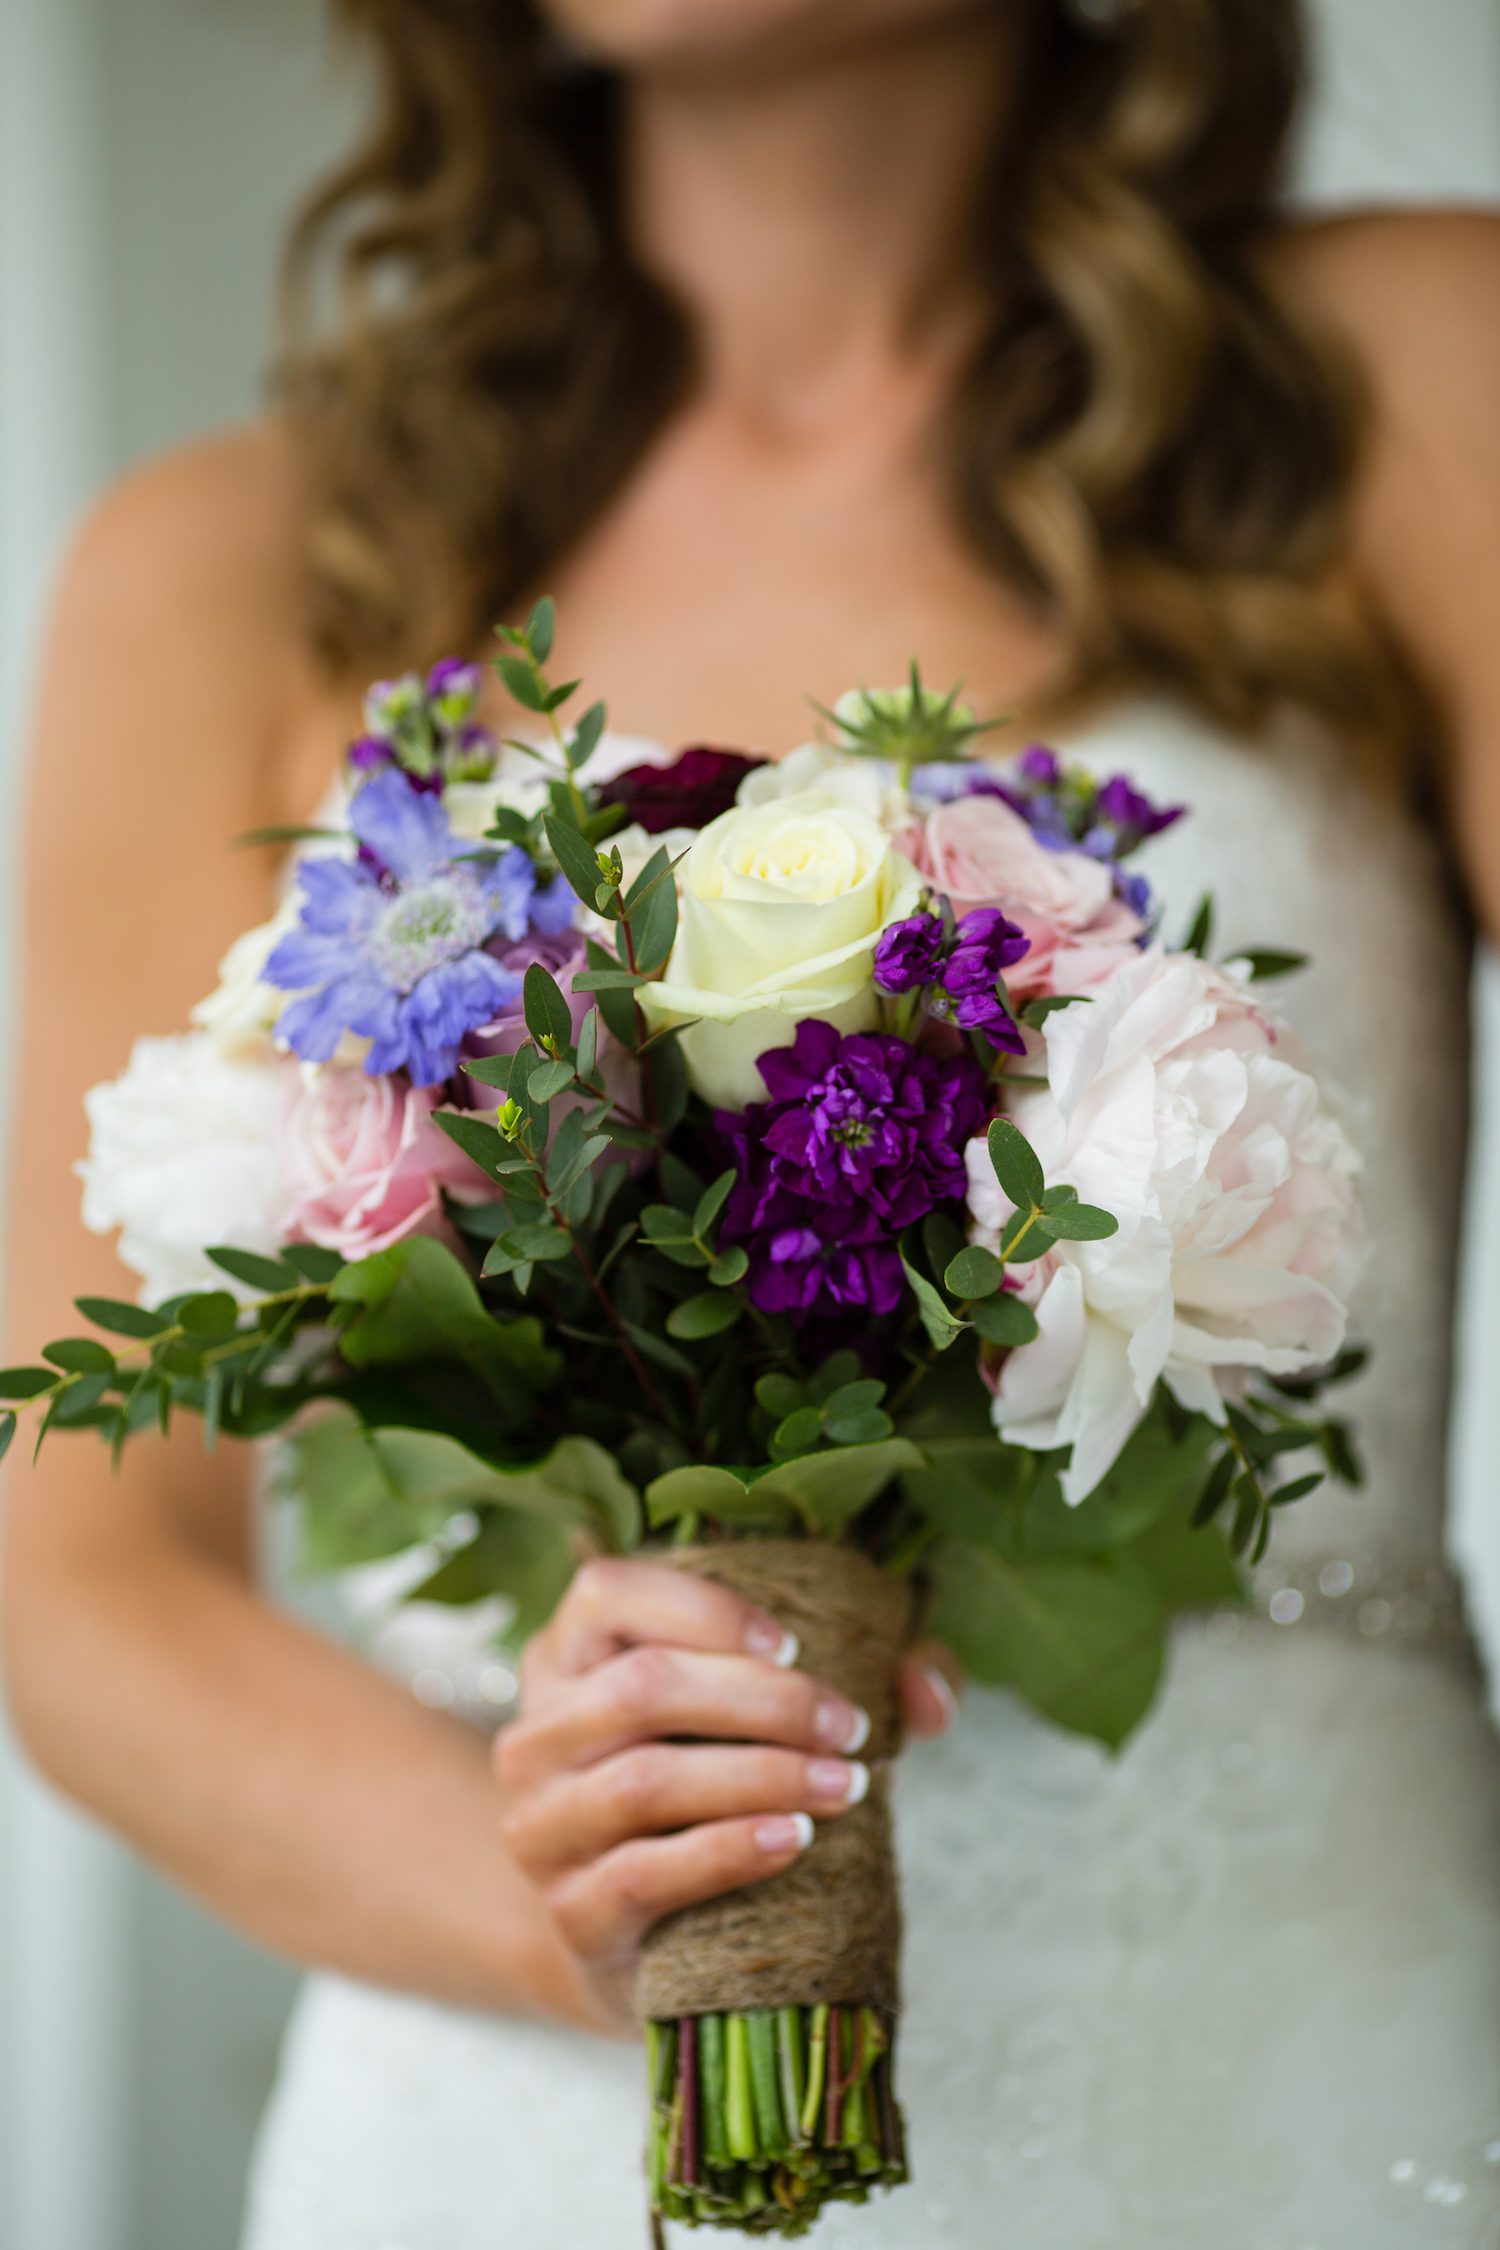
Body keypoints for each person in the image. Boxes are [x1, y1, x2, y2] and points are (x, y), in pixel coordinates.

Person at [5, 1, 1500, 2242]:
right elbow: (81, 1586)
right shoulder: (237, 560)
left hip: (1302, 2055)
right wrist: (568, 1902)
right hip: (524, 2115)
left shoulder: (1400, 378)